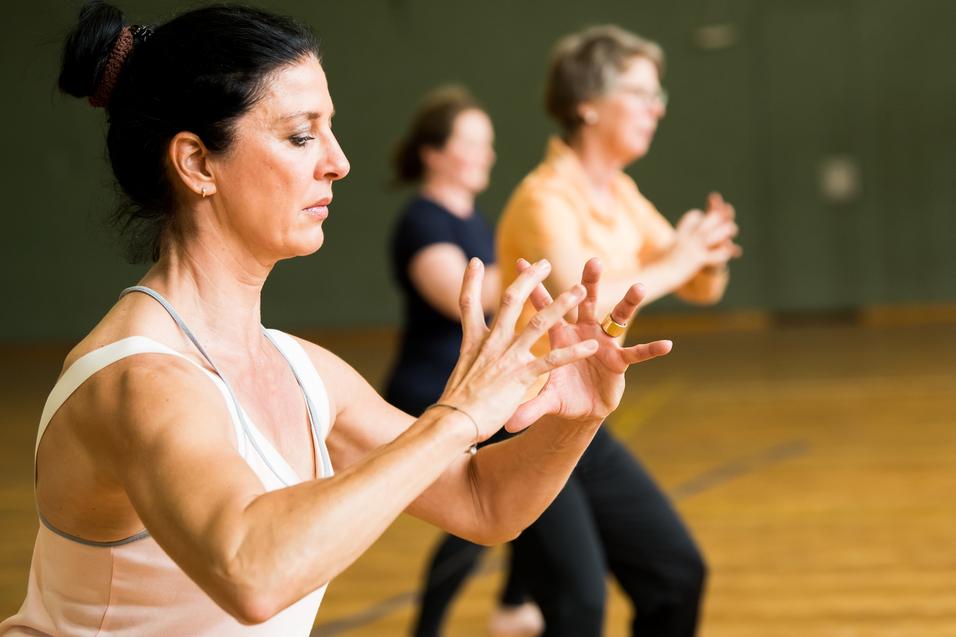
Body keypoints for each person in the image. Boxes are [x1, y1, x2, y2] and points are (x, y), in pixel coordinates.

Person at [0, 5, 673, 637]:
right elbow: (250, 570)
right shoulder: (139, 377)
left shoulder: (304, 371)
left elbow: (481, 501)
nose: (338, 162)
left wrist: (577, 417)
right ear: (198, 162)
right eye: (301, 135)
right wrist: (456, 417)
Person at [495, 25, 742, 637]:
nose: (656, 108)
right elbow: (583, 298)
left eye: (659, 94)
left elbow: (701, 287)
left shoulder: (621, 193)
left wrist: (707, 252)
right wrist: (678, 261)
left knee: (676, 575)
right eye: (640, 92)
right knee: (578, 606)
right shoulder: (542, 198)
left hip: (580, 418)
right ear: (587, 104)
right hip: (518, 420)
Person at [382, 87, 542, 636]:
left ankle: (513, 603)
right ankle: (434, 627)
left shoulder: (477, 222)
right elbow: (463, 296)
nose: (486, 154)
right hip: (433, 389)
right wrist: (550, 263)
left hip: (477, 389)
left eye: (487, 143)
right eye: (471, 142)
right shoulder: (422, 221)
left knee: (528, 486)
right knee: (484, 504)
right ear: (433, 153)